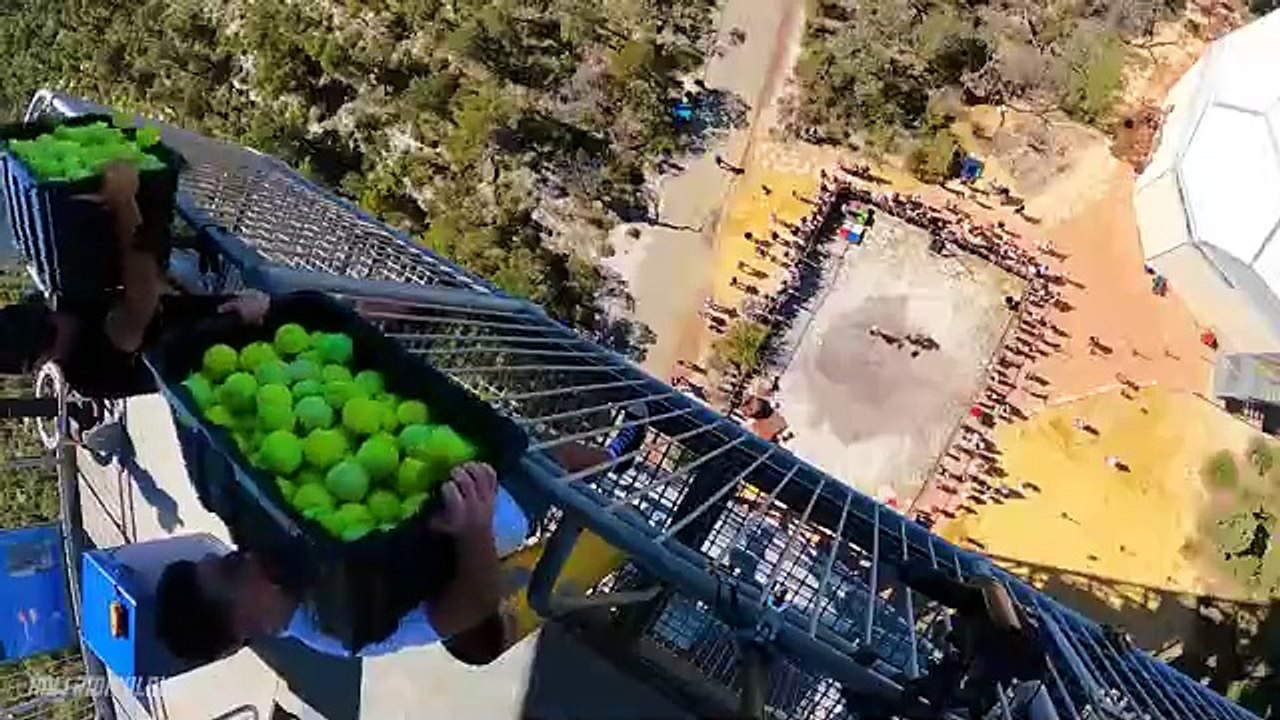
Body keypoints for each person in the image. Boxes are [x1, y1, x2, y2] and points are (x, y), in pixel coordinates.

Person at [156, 403, 653, 665]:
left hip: (431, 467)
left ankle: (614, 462)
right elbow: (469, 610)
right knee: (555, 463)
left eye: (223, 556)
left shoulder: (267, 548)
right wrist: (474, 528)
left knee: (539, 449)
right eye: (229, 568)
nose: (239, 554)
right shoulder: (339, 631)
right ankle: (618, 458)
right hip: (485, 512)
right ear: (240, 631)